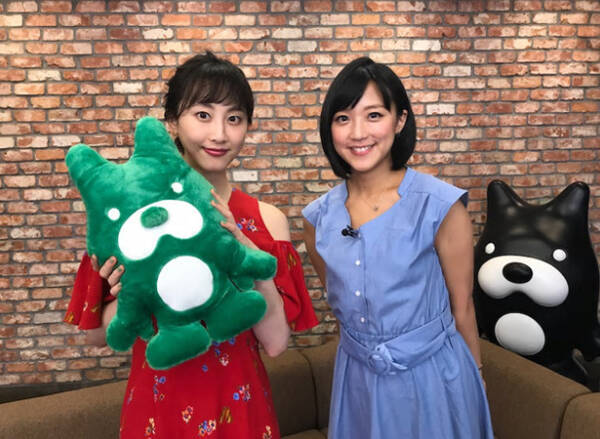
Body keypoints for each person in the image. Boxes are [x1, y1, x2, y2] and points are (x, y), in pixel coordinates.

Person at [64, 51, 318, 439]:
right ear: (172, 123)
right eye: (202, 114)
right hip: (158, 410)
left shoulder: (267, 220)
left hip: (240, 407)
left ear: (247, 127)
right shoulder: (127, 218)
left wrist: (246, 249)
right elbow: (97, 337)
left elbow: (277, 343)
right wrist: (124, 293)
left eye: (234, 118)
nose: (219, 134)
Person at [302, 57, 494, 438]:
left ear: (400, 120)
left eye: (374, 115)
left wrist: (475, 381)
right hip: (358, 382)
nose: (358, 132)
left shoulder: (440, 206)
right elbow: (345, 311)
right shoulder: (317, 219)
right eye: (343, 118)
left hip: (433, 379)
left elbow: (463, 308)